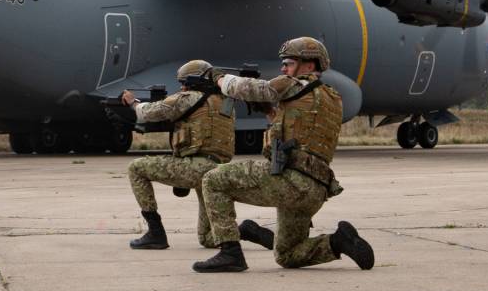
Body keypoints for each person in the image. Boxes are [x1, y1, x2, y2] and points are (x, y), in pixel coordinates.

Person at [193, 37, 374, 273]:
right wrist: (270, 112)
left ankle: (230, 252)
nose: (283, 68)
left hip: (291, 181)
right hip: (316, 189)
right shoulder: (331, 97)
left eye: (288, 62)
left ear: (309, 66)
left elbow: (251, 88)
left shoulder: (294, 84)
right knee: (287, 255)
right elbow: (299, 131)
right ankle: (337, 242)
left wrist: (219, 78)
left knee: (212, 179)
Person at [121, 60, 235, 250]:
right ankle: (246, 229)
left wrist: (133, 102)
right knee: (208, 237)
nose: (182, 87)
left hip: (197, 168)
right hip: (219, 171)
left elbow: (149, 112)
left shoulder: (188, 98)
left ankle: (155, 232)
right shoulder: (226, 103)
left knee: (136, 168)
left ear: (194, 82)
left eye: (184, 83)